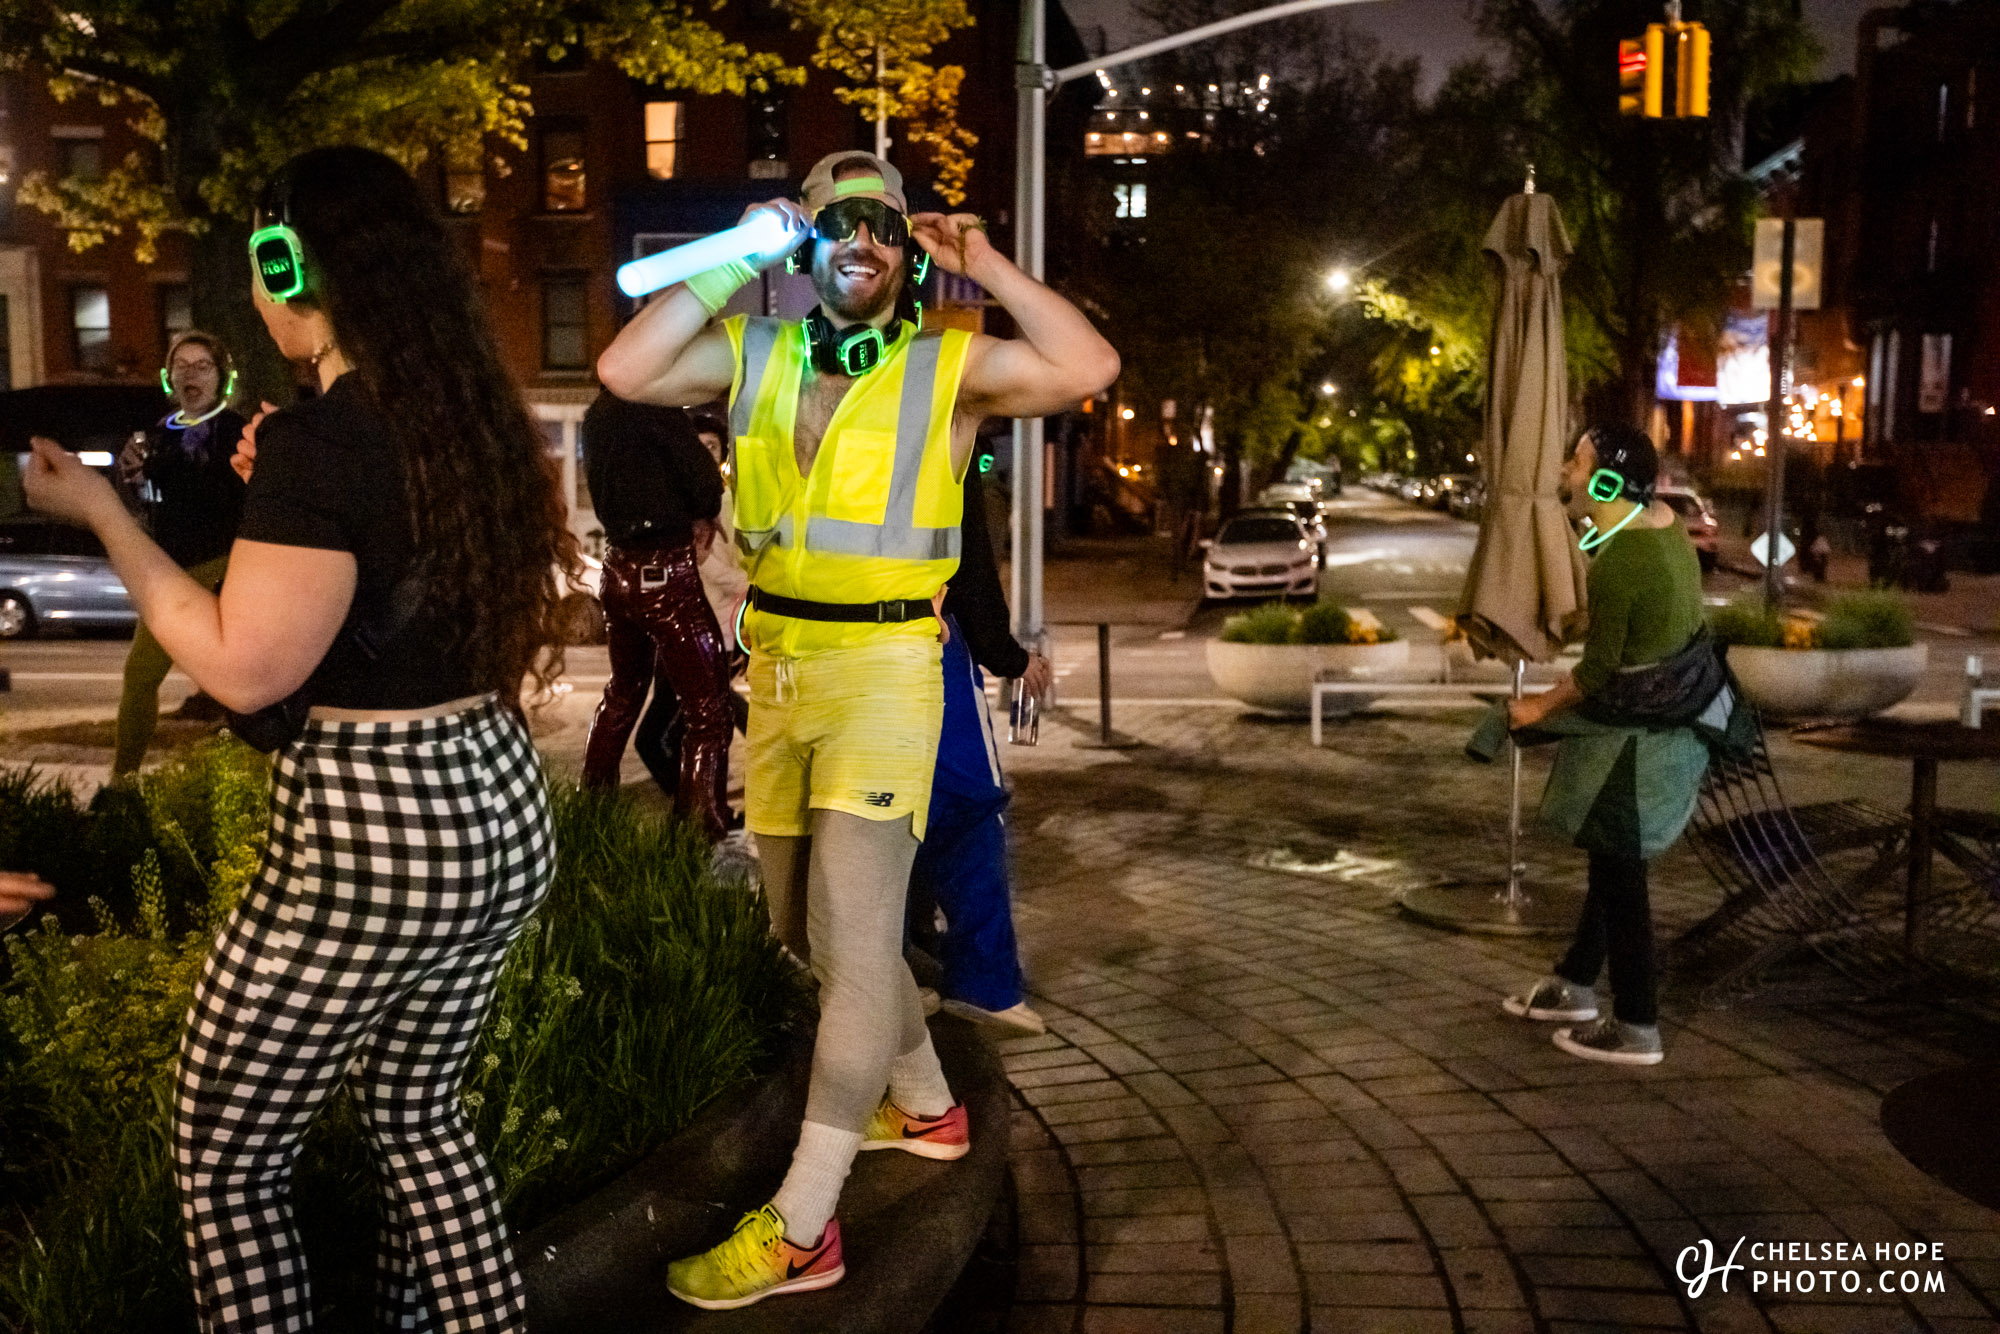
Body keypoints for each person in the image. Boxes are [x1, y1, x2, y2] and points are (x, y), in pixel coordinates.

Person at [25, 146, 574, 1330]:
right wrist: (283, 468)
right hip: (494, 799)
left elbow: (241, 661)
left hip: (375, 833)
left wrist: (105, 512)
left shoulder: (324, 442)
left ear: (291, 271)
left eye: (261, 265)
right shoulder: (458, 418)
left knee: (225, 1152)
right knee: (418, 1115)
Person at [599, 149, 1119, 1309]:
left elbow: (1088, 363)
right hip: (782, 672)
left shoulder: (950, 365)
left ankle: (803, 1222)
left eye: (883, 223)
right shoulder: (757, 348)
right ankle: (925, 1105)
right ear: (809, 239)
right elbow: (625, 365)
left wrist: (982, 261)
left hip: (887, 669)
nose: (863, 242)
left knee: (855, 928)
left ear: (904, 244)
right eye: (838, 223)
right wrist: (738, 250)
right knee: (805, 929)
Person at [1496, 425, 1710, 1067]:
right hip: (1669, 729)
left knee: (1621, 875)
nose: (1567, 470)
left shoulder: (1620, 560)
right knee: (1611, 859)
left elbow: (1595, 673)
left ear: (1609, 478)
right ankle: (1576, 982)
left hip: (1637, 746)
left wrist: (1535, 707)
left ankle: (1638, 1024)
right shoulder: (1663, 525)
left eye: (1579, 462)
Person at [908, 456, 1053, 1034]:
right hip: (922, 635)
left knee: (867, 813)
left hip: (807, 647)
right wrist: (1007, 656)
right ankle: (982, 982)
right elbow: (966, 561)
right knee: (967, 808)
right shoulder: (938, 420)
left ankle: (890, 971)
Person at [579, 391, 734, 840]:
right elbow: (703, 482)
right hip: (665, 570)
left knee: (622, 693)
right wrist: (702, 510)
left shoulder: (598, 416)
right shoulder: (656, 408)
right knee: (708, 710)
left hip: (617, 567)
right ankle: (699, 831)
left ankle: (592, 811)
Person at [111, 331, 249, 778]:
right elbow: (143, 502)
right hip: (167, 575)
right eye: (182, 366)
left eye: (202, 366)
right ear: (169, 377)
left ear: (222, 377)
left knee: (239, 682)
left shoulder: (236, 431)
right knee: (140, 676)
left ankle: (250, 778)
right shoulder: (156, 434)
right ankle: (123, 783)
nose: (191, 375)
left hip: (222, 569)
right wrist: (131, 476)